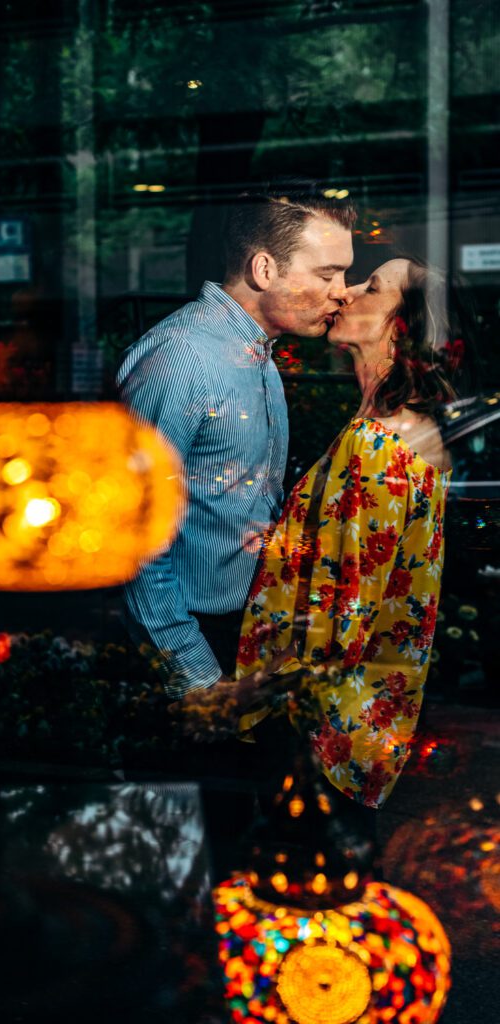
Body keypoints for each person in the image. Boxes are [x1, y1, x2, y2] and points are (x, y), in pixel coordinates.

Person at [116, 182, 355, 716]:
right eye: (327, 273)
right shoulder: (182, 358)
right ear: (265, 270)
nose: (343, 290)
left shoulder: (258, 354)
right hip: (195, 641)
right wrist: (199, 677)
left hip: (247, 633)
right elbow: (130, 534)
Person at [236, 257, 458, 808]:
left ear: (398, 327)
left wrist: (240, 697)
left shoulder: (378, 444)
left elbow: (339, 616)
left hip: (316, 736)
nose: (346, 292)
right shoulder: (405, 428)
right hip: (353, 730)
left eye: (371, 287)